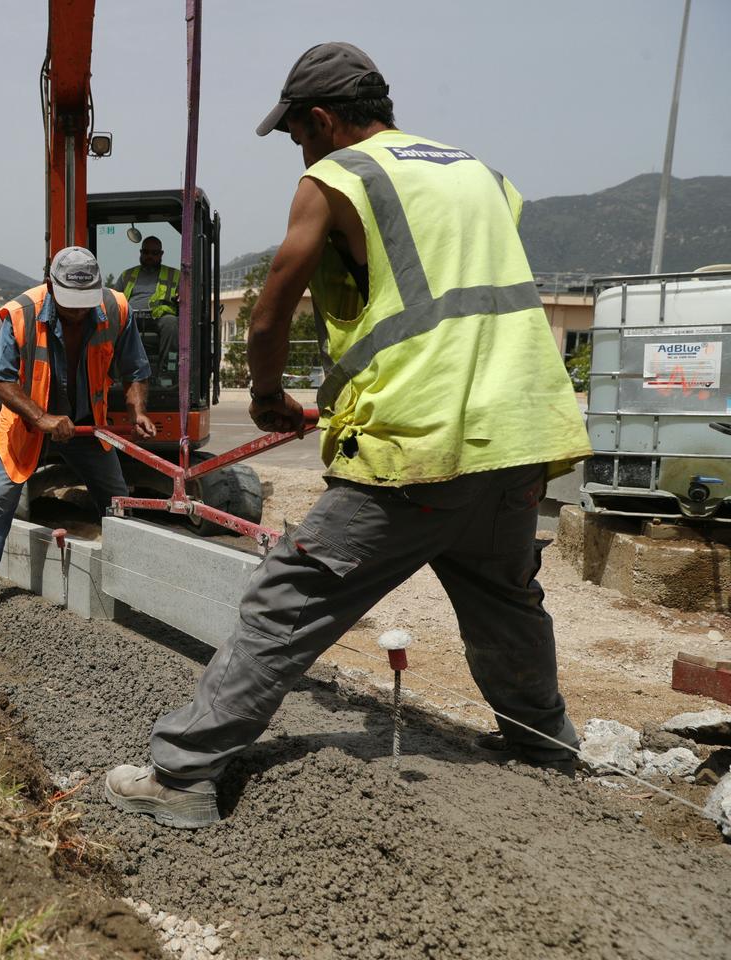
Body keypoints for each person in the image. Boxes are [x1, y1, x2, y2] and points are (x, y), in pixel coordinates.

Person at [105, 42, 593, 828]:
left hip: (417, 444)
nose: (299, 151)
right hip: (521, 437)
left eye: (298, 134)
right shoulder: (484, 176)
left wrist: (266, 393)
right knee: (507, 603)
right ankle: (547, 749)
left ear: (325, 120)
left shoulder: (338, 176)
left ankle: (181, 775)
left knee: (286, 598)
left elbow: (271, 306)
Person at [0, 246, 158, 625]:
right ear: (51, 285)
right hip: (27, 422)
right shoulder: (23, 313)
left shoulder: (116, 309)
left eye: (85, 302)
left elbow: (136, 370)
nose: (79, 311)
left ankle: (134, 583)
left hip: (85, 423)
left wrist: (138, 411)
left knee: (118, 503)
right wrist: (42, 417)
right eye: (70, 303)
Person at [116, 236, 182, 377]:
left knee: (171, 323)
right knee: (113, 324)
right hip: (131, 317)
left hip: (159, 317)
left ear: (161, 254)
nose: (149, 256)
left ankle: (168, 371)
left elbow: (187, 299)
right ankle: (116, 372)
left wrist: (182, 299)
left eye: (154, 253)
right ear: (141, 252)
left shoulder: (175, 275)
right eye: (146, 252)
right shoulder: (126, 275)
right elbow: (115, 299)